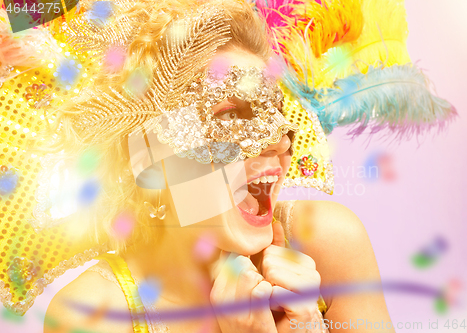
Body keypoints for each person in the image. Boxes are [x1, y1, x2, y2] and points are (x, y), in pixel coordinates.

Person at [38, 0, 395, 332]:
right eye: (229, 114)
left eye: (276, 109)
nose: (279, 138)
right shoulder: (91, 313)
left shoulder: (328, 243)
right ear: (146, 160)